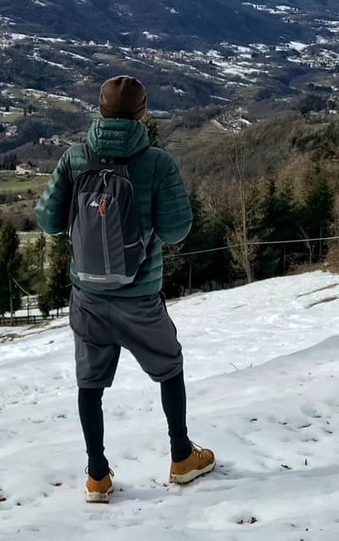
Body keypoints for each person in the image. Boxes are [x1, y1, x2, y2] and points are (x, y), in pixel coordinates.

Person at [35, 75, 215, 503]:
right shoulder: (157, 163)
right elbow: (176, 231)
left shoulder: (75, 157)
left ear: (99, 110)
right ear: (142, 114)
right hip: (139, 294)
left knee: (90, 383)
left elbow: (48, 221)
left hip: (88, 295)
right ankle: (181, 457)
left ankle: (97, 475)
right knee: (169, 367)